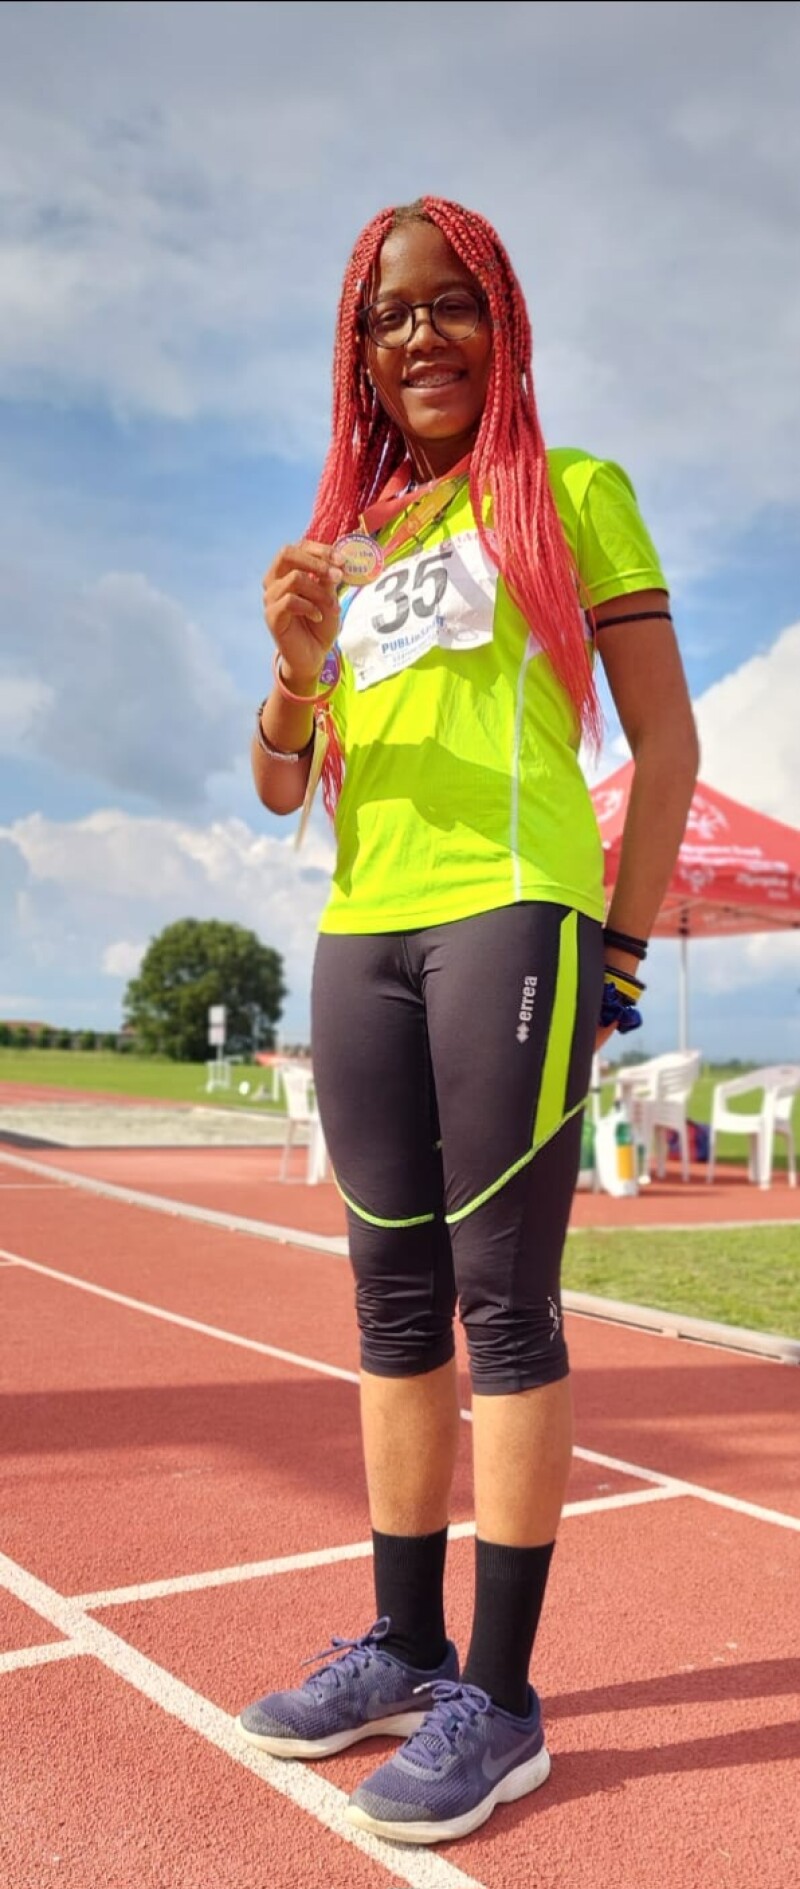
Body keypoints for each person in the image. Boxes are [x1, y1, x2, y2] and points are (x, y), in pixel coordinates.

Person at [239, 197, 699, 1845]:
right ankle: (405, 1642)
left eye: (450, 304)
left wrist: (619, 953)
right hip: (360, 930)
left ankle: (498, 1703)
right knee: (390, 1302)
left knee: (503, 1305)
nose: (419, 335)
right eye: (389, 316)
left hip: (514, 912)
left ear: (501, 321)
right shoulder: (353, 538)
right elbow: (281, 779)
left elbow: (666, 742)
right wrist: (296, 667)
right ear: (358, 355)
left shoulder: (572, 493)